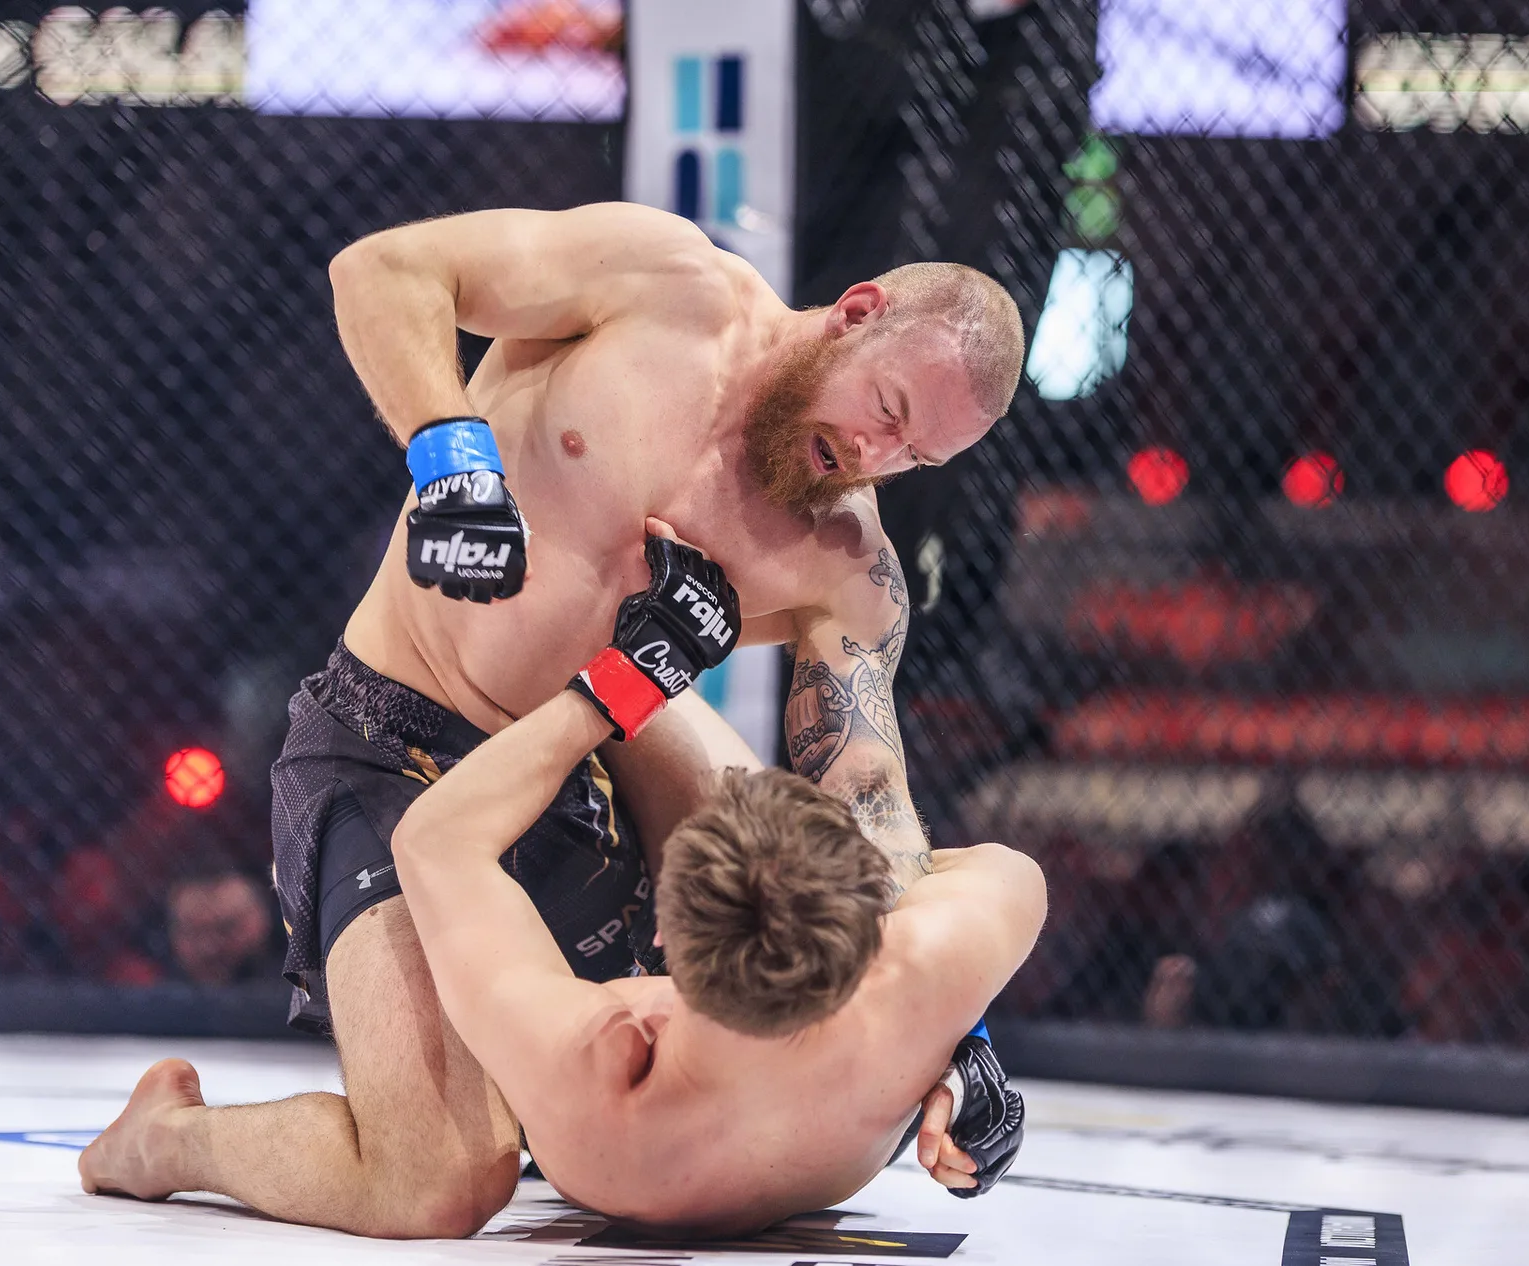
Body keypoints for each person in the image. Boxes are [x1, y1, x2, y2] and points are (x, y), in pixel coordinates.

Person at [91, 201, 1028, 1236]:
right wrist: (452, 459)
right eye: (888, 408)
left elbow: (864, 793)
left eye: (914, 456)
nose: (872, 453)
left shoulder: (844, 559)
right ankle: (168, 1140)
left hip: (594, 761)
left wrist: (955, 1026)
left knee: (790, 906)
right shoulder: (665, 285)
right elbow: (385, 269)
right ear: (856, 313)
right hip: (396, 744)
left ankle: (540, 1066)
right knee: (437, 1185)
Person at [81, 533, 1044, 1235]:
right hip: (553, 702)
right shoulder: (929, 973)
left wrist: (624, 681)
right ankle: (599, 630)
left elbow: (435, 840)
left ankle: (168, 1141)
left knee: (437, 1182)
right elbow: (988, 875)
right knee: (755, 826)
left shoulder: (603, 1080)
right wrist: (965, 1044)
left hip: (386, 759)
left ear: (661, 933)